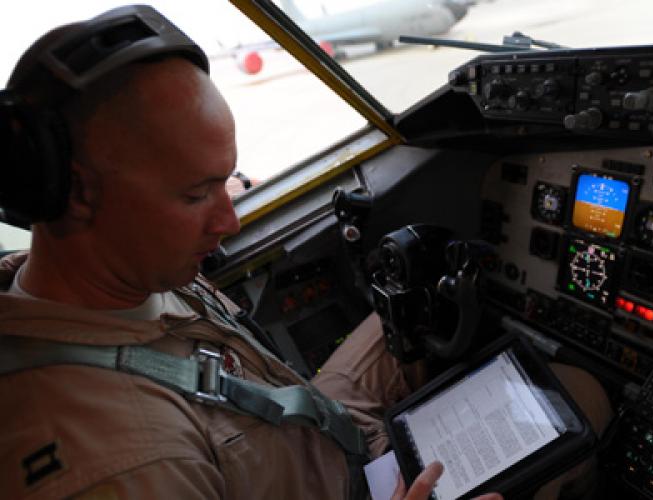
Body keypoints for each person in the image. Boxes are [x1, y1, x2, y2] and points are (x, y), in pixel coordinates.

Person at [0, 6, 610, 500]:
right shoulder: (121, 468)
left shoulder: (113, 271)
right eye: (195, 194)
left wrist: (202, 188)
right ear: (75, 193)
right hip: (338, 477)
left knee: (423, 299)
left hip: (312, 422)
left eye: (225, 182)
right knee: (579, 396)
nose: (229, 220)